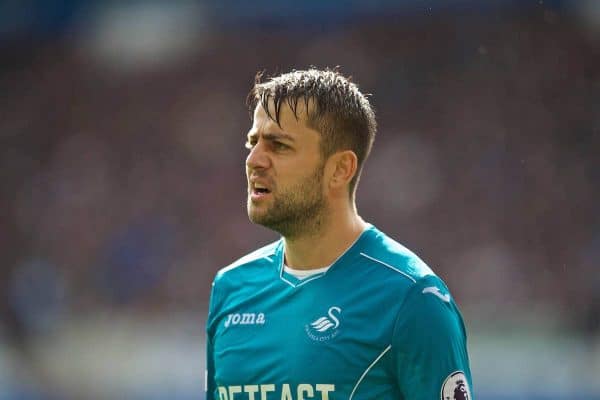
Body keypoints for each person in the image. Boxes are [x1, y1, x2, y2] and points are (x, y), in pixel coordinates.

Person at [205, 68, 473, 400]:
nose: (254, 159)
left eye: (279, 145)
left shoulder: (411, 298)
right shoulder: (231, 288)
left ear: (339, 169)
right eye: (253, 141)